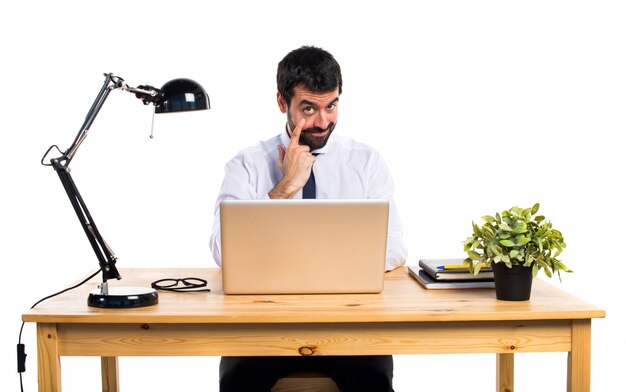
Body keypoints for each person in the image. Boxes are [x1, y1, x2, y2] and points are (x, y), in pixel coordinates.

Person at [210, 45, 407, 392]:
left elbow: (394, 248)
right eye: (308, 108)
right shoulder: (247, 164)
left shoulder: (365, 162)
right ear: (282, 103)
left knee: (374, 381)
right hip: (263, 323)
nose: (322, 121)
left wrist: (323, 265)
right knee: (237, 382)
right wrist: (284, 188)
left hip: (349, 323)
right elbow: (222, 251)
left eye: (331, 106)